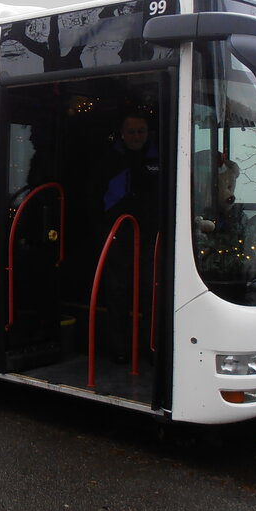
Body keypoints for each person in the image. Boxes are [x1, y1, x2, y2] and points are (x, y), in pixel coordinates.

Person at [97, 111, 159, 364]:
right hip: (118, 235)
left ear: (147, 133)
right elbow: (95, 194)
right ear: (123, 134)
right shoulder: (110, 159)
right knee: (117, 291)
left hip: (150, 237)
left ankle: (148, 347)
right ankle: (118, 349)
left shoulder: (158, 159)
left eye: (140, 131)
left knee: (150, 291)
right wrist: (103, 230)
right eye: (131, 132)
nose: (136, 136)